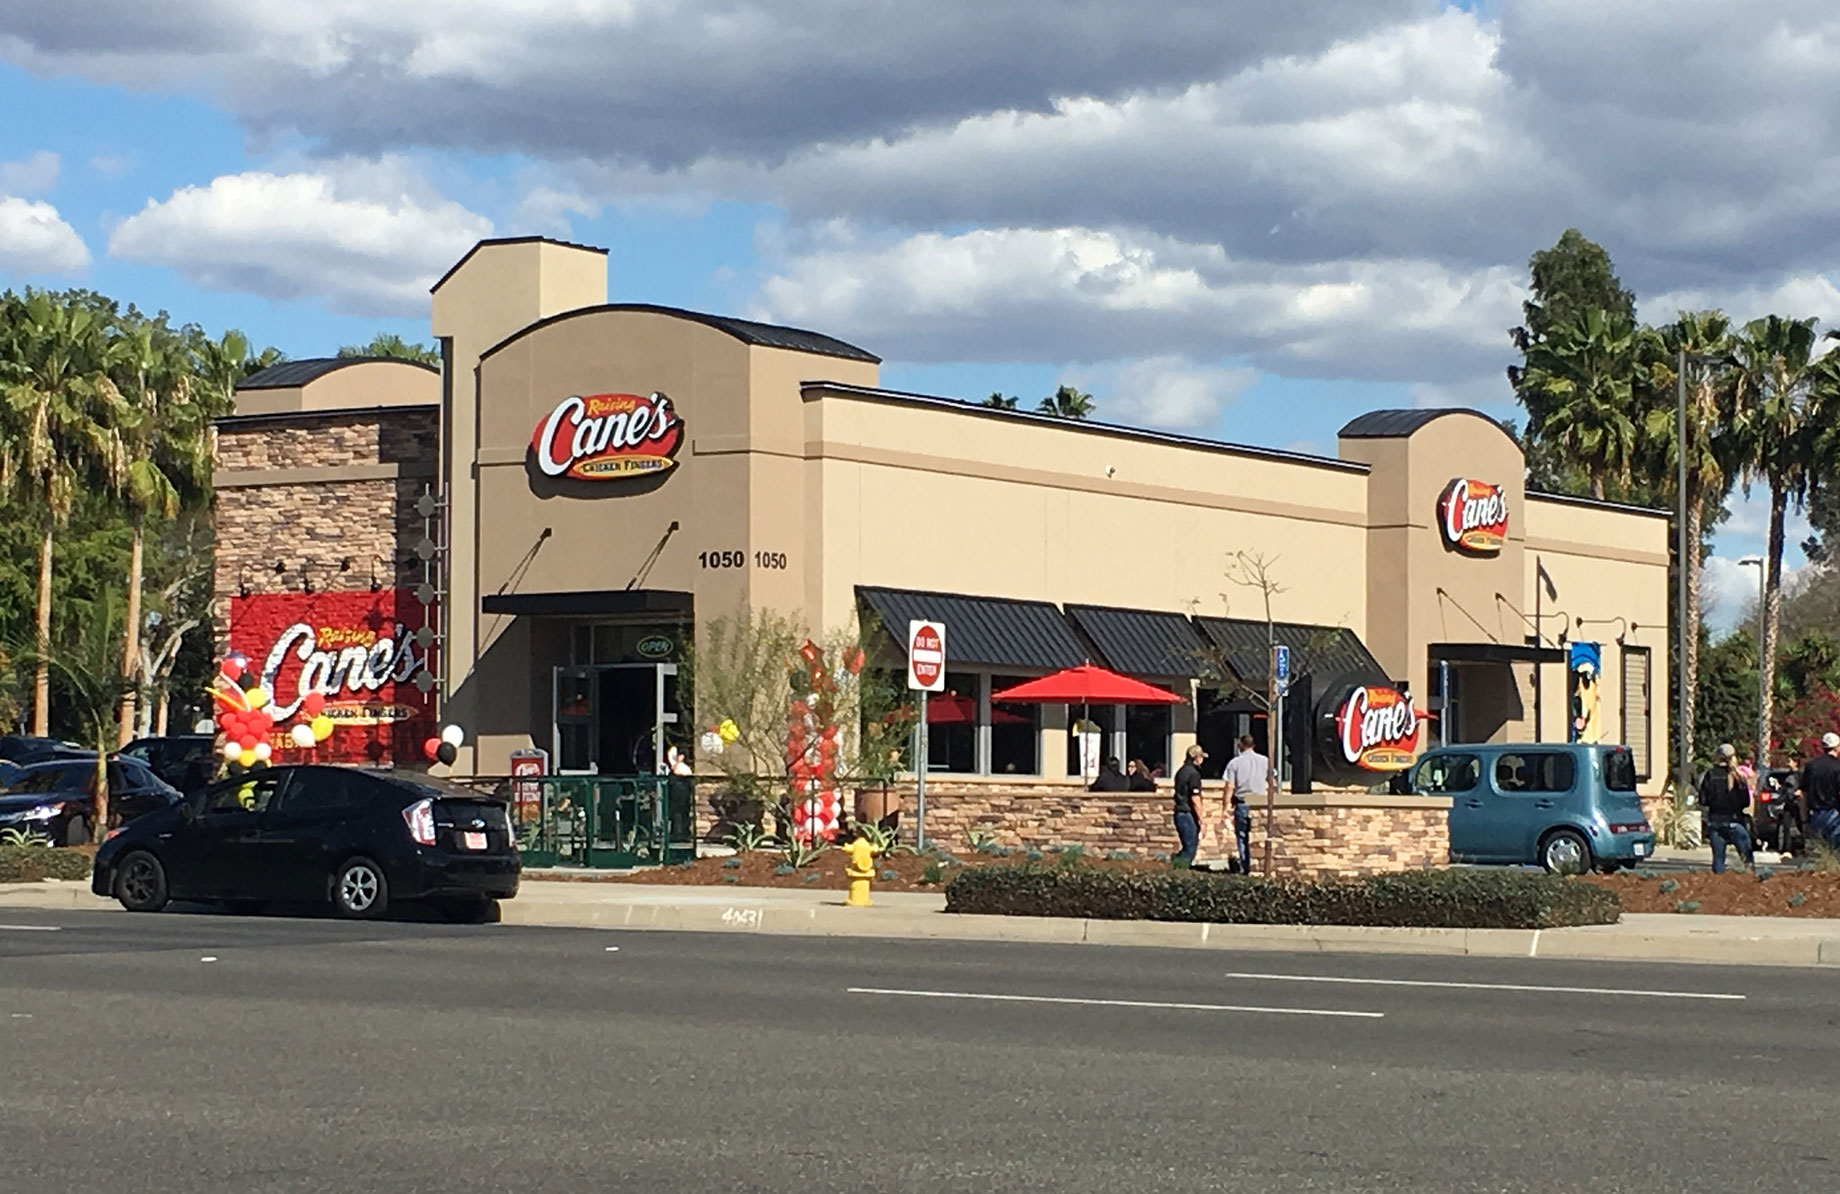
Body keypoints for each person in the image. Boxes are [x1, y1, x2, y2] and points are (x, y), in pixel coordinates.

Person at [1698, 743, 1754, 874]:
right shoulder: (1739, 777)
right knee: (1747, 859)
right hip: (1735, 821)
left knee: (1718, 860)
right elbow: (1746, 802)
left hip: (1715, 821)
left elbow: (1703, 800)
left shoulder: (1710, 775)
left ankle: (1718, 889)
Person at [1221, 734, 1268, 875]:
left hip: (1242, 802)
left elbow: (1230, 786)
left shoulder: (1234, 763)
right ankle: (1260, 866)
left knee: (1242, 836)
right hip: (1261, 804)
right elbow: (1272, 781)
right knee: (1261, 836)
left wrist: (1225, 807)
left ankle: (1245, 867)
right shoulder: (1265, 761)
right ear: (1253, 745)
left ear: (1241, 745)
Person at [1801, 732, 1840, 851]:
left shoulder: (1811, 766)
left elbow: (1803, 793)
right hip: (1835, 814)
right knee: (1835, 852)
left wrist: (1804, 820)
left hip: (1815, 815)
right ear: (1837, 747)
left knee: (1816, 852)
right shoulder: (1838, 767)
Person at [1171, 744, 1206, 865]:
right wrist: (1201, 819)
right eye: (1201, 757)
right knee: (1190, 848)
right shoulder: (1194, 774)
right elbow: (1195, 798)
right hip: (1187, 814)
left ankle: (1176, 865)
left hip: (1179, 812)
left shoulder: (1180, 772)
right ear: (1195, 757)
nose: (1202, 760)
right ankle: (1179, 871)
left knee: (1187, 847)